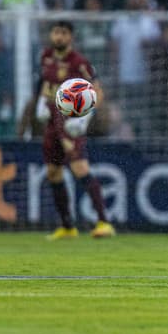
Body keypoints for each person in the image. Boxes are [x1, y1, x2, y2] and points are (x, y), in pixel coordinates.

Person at [29, 21, 115, 240]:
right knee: (53, 171)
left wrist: (84, 118)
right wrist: (41, 103)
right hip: (51, 120)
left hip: (70, 122)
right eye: (56, 32)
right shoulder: (46, 57)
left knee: (79, 167)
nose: (59, 37)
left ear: (71, 37)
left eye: (63, 33)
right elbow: (45, 85)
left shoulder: (79, 63)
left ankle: (104, 222)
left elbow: (98, 92)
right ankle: (67, 227)